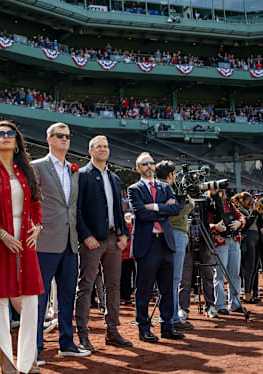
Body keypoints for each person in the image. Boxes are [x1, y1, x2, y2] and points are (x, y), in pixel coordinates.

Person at [0, 120, 43, 374]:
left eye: (10, 134)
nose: (5, 137)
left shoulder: (26, 171)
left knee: (30, 301)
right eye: (0, 134)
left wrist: (38, 226)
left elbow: (36, 204)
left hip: (25, 241)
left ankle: (28, 359)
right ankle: (4, 359)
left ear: (17, 141)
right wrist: (1, 233)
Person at [32, 122, 90, 362]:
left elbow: (73, 206)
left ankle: (67, 343)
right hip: (45, 241)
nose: (64, 139)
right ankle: (34, 350)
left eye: (67, 136)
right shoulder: (37, 167)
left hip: (70, 242)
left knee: (67, 295)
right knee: (39, 298)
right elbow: (31, 202)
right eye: (59, 135)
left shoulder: (74, 170)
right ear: (48, 139)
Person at [75, 135, 133, 350]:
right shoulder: (81, 175)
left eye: (105, 146)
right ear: (90, 151)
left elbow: (119, 209)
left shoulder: (115, 178)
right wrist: (85, 235)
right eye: (98, 146)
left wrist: (123, 234)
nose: (102, 149)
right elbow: (77, 209)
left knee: (113, 286)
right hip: (92, 240)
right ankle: (82, 334)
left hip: (113, 240)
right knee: (86, 286)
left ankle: (113, 331)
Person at [127, 152, 184, 342]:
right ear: (138, 168)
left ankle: (167, 326)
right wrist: (163, 208)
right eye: (144, 164)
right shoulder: (133, 189)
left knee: (167, 288)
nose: (149, 166)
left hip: (165, 243)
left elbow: (176, 209)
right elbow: (140, 213)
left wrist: (154, 207)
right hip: (147, 244)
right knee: (144, 289)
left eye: (151, 163)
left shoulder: (165, 187)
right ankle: (143, 328)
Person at [155, 161, 195, 331]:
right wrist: (189, 206)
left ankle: (169, 316)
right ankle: (172, 318)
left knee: (170, 278)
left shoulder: (158, 188)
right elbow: (171, 214)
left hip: (170, 235)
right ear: (170, 175)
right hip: (174, 234)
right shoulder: (166, 190)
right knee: (174, 279)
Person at [209, 188, 248, 317]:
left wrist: (239, 222)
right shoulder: (209, 204)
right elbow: (204, 223)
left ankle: (235, 303)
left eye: (221, 190)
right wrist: (215, 227)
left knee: (235, 274)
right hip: (219, 241)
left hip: (234, 240)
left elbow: (241, 216)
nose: (220, 192)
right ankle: (220, 305)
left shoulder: (229, 204)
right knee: (219, 274)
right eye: (216, 190)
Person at [234, 192, 260, 304]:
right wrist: (254, 212)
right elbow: (245, 225)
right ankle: (246, 295)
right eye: (249, 202)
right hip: (247, 240)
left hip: (255, 239)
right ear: (242, 201)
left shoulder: (251, 211)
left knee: (254, 268)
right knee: (247, 268)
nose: (251, 204)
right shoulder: (239, 210)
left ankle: (251, 293)